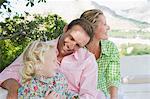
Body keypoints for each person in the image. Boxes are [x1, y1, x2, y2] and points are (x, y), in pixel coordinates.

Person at [0, 18, 99, 99]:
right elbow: (8, 73)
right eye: (71, 38)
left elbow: (88, 95)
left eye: (78, 45)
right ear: (65, 29)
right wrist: (14, 89)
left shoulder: (88, 60)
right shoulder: (41, 49)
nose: (71, 46)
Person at [80, 9, 121, 99]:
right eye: (105, 24)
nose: (108, 27)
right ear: (92, 28)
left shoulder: (110, 47)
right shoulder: (77, 51)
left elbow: (113, 77)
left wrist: (113, 97)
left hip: (103, 95)